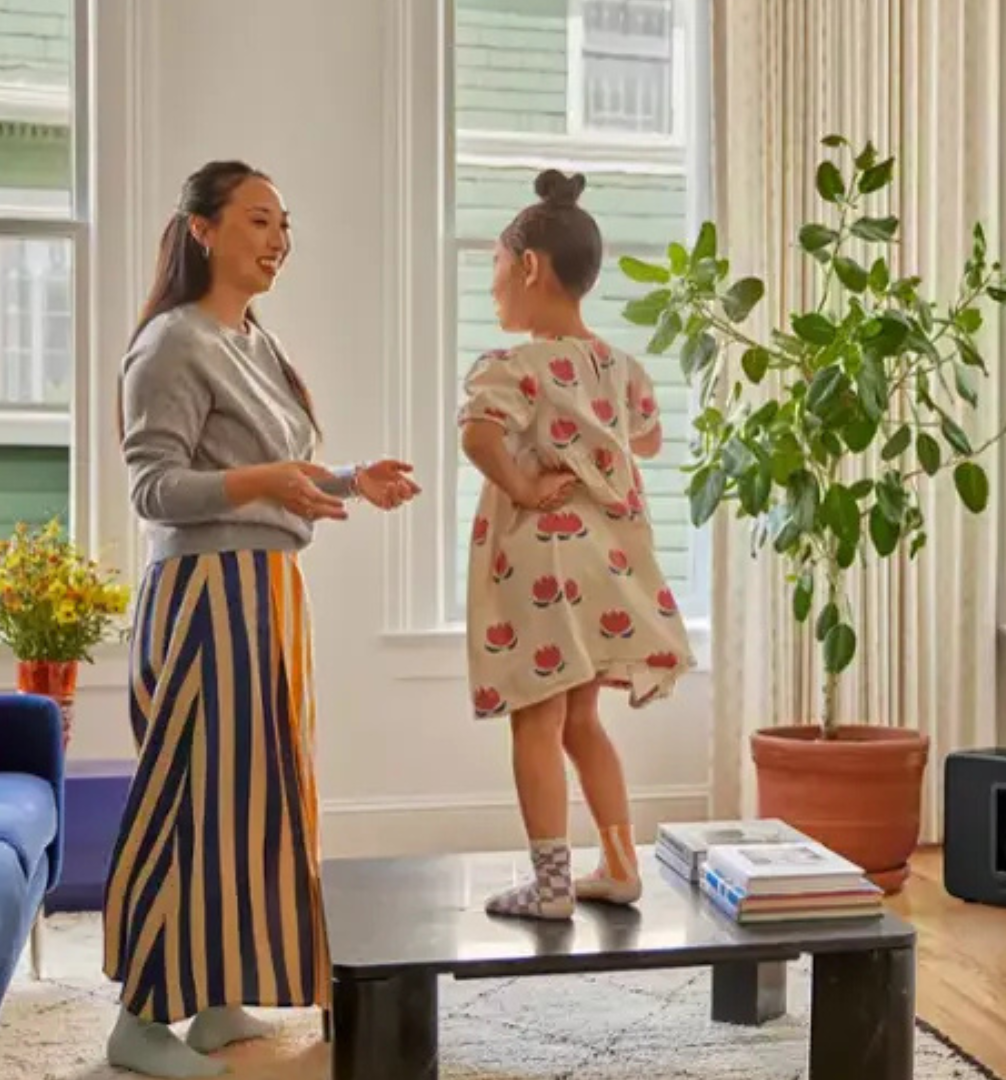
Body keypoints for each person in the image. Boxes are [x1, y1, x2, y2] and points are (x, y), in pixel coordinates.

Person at [102, 159, 421, 1078]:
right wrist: (269, 482)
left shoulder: (253, 343)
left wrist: (349, 480)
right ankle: (138, 1019)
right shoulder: (172, 343)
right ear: (202, 229)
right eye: (257, 221)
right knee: (187, 801)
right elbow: (155, 488)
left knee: (249, 805)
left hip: (268, 593)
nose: (278, 240)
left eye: (284, 225)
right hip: (206, 597)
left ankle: (210, 998)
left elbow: (271, 475)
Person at [458, 169, 695, 920]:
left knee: (537, 719)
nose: (493, 284)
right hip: (605, 561)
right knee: (582, 720)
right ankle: (620, 865)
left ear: (530, 266)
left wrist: (525, 487)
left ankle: (551, 883)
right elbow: (647, 441)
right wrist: (597, 437)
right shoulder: (622, 369)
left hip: (544, 562)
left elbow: (477, 434)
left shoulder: (514, 366)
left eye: (498, 265)